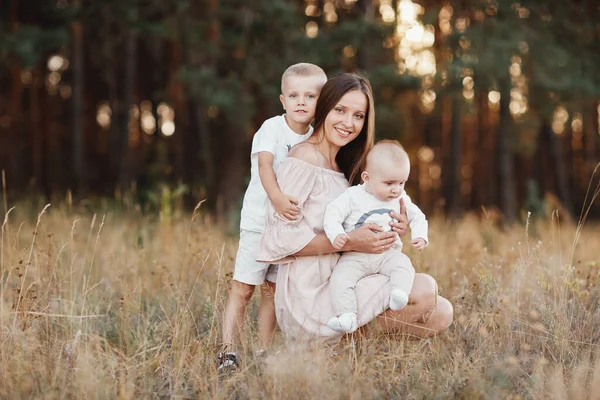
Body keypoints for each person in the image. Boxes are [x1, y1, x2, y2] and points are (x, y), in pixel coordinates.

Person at [257, 73, 453, 345]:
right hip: (311, 292)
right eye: (340, 110)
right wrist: (348, 243)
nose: (348, 123)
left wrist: (394, 227)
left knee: (441, 313)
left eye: (359, 115)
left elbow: (362, 230)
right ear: (324, 107)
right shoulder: (303, 159)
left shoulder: (347, 168)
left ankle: (339, 351)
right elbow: (279, 241)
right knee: (424, 288)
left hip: (350, 275)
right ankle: (322, 346)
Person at [219, 63, 328, 370]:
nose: (301, 102)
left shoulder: (316, 138)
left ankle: (262, 352)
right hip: (259, 224)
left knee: (274, 292)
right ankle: (228, 352)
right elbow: (265, 166)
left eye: (310, 96)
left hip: (288, 230)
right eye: (294, 95)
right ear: (283, 100)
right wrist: (278, 199)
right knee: (243, 288)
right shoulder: (272, 129)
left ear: (322, 102)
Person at [324, 140, 428, 333]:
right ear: (367, 178)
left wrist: (420, 235)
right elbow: (333, 212)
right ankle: (347, 316)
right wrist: (336, 233)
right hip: (355, 256)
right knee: (340, 279)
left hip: (387, 254)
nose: (396, 189)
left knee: (403, 265)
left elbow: (418, 216)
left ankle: (399, 293)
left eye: (401, 183)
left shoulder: (400, 198)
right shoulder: (353, 196)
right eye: (389, 183)